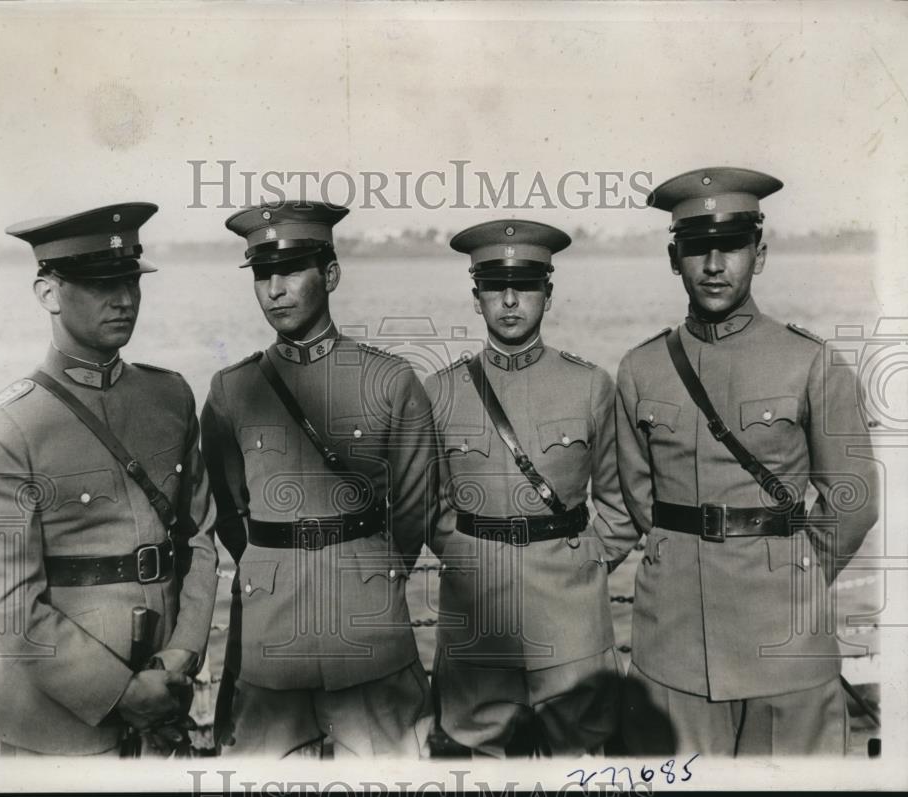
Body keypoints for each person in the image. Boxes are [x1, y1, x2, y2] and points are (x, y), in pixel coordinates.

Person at [615, 167, 880, 755]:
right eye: (696, 248)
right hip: (675, 645)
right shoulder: (641, 369)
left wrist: (795, 573)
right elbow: (640, 499)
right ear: (672, 257)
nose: (714, 265)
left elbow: (853, 501)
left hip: (786, 641)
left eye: (731, 246)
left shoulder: (810, 363)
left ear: (758, 254)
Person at [0, 203, 218, 756]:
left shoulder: (169, 398)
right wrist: (121, 692)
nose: (124, 299)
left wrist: (181, 657)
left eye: (129, 280)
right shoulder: (8, 427)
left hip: (165, 707)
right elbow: (11, 607)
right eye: (100, 284)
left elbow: (197, 540)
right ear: (48, 294)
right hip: (58, 735)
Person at [202, 200, 437, 758]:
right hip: (271, 644)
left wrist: (362, 569)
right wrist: (276, 563)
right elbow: (229, 514)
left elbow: (412, 508)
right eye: (262, 274)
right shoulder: (231, 391)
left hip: (369, 637)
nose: (275, 289)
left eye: (290, 271)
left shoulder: (390, 382)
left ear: (330, 274)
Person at [423, 219, 637, 758]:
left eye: (527, 285)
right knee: (480, 765)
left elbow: (619, 503)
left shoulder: (590, 385)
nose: (511, 300)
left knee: (579, 765)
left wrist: (581, 564)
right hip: (478, 618)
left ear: (549, 292)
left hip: (571, 620)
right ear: (477, 298)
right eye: (495, 286)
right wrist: (470, 556)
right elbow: (426, 506)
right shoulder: (440, 392)